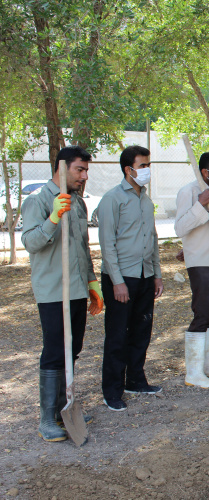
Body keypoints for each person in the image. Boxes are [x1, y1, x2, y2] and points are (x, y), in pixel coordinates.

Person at [21, 145, 103, 441]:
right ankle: (46, 419)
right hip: (54, 289)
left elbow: (81, 247)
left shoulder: (78, 203)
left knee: (73, 348)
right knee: (55, 351)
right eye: (79, 170)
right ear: (61, 168)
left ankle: (63, 407)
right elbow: (30, 242)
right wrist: (53, 218)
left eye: (86, 170)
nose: (84, 176)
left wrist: (92, 282)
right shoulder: (38, 201)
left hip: (77, 288)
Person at [98, 145, 164, 411]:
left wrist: (157, 275)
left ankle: (135, 380)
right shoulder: (112, 199)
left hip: (145, 276)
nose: (147, 170)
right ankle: (112, 391)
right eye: (143, 165)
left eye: (149, 165)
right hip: (121, 278)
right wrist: (117, 281)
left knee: (141, 332)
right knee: (117, 336)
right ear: (129, 169)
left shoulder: (146, 199)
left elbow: (154, 239)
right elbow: (107, 243)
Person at [174, 151, 209, 388]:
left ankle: (206, 365)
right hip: (201, 261)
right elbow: (180, 227)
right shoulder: (189, 191)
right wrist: (200, 204)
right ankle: (194, 372)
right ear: (204, 171)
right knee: (201, 314)